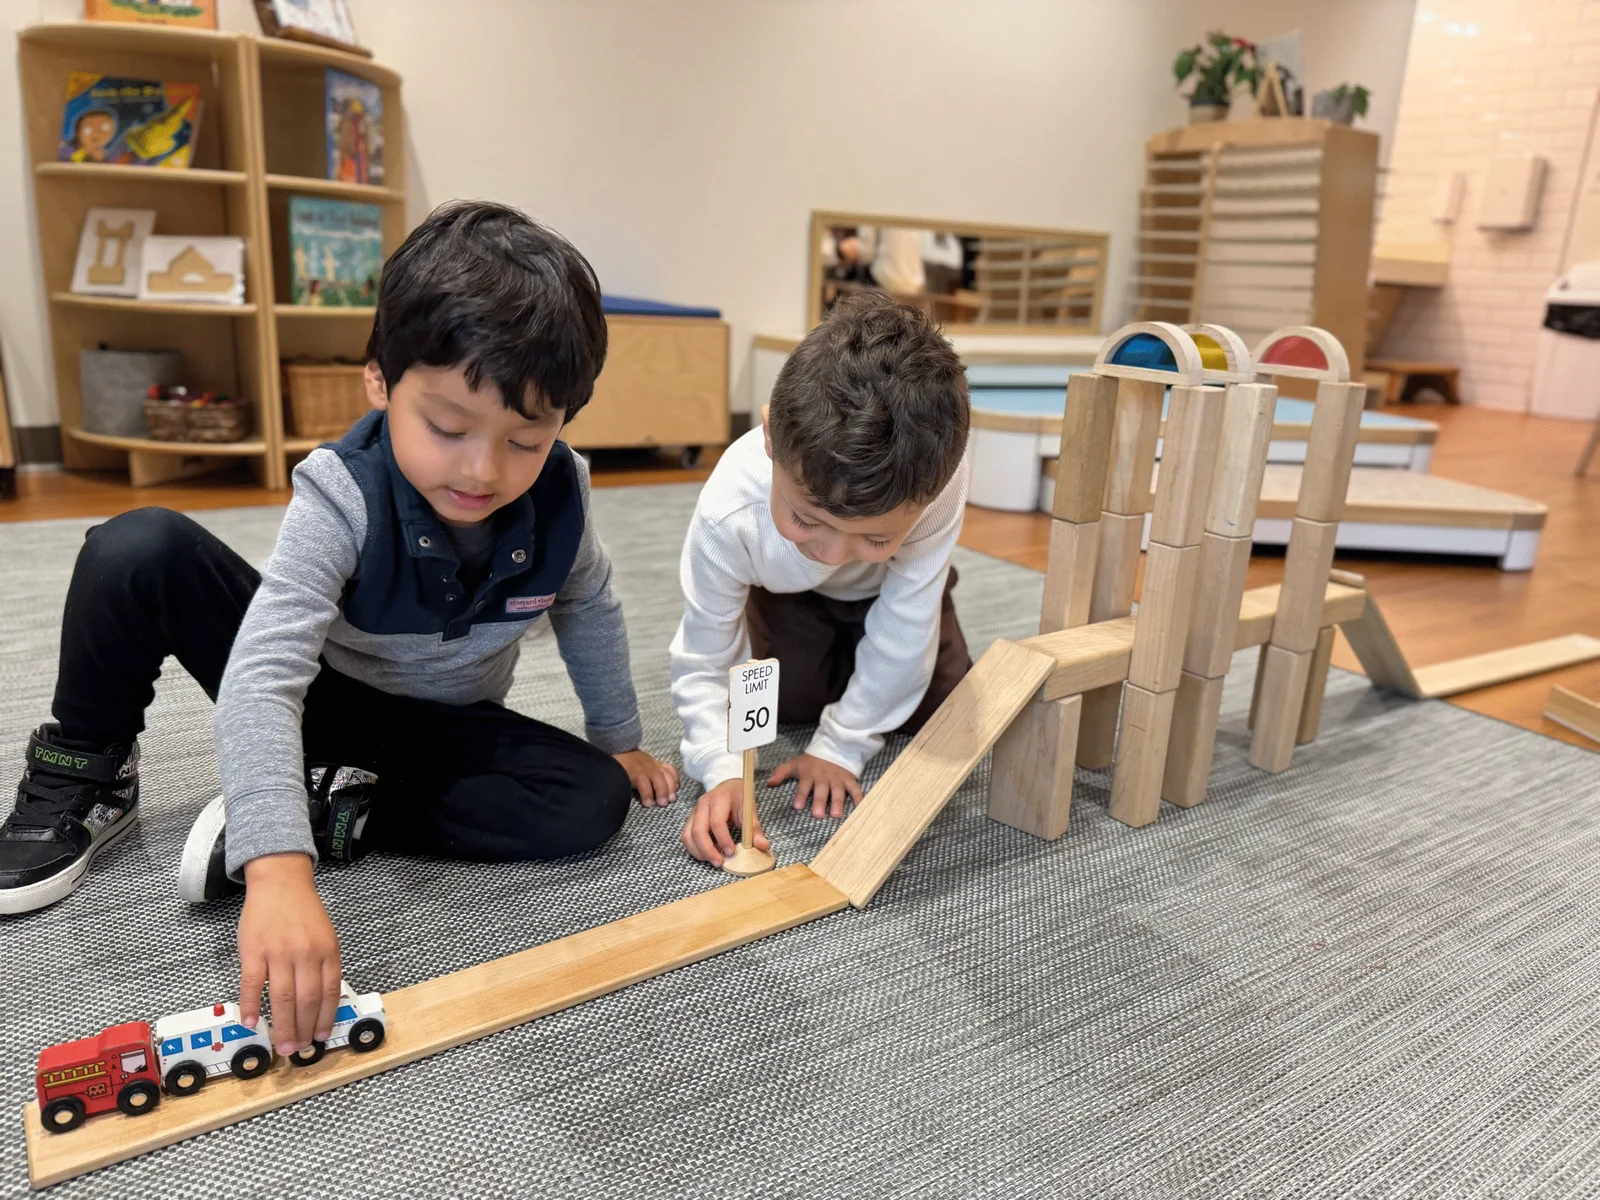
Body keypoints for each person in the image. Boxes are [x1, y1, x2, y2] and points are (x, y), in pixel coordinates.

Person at [0, 200, 678, 1057]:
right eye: (446, 427)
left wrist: (618, 738)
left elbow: (592, 604)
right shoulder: (341, 492)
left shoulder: (564, 495)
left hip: (440, 733)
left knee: (591, 801)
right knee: (139, 548)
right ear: (380, 381)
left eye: (525, 439)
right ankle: (90, 770)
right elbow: (263, 674)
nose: (481, 469)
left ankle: (334, 806)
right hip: (319, 697)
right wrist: (276, 871)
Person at [670, 292, 972, 865]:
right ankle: (832, 645)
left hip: (892, 587)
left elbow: (908, 621)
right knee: (790, 705)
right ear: (768, 436)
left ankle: (860, 642)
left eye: (874, 536)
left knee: (944, 710)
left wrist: (843, 747)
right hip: (786, 594)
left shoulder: (937, 475)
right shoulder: (729, 511)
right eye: (805, 518)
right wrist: (719, 767)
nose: (833, 553)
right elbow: (705, 650)